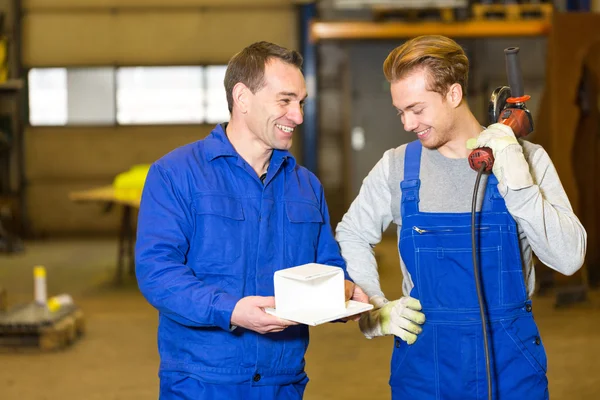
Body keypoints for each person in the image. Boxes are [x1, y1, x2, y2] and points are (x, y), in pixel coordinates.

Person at [335, 35, 587, 399]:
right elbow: (352, 232)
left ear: (453, 94)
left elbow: (569, 258)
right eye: (400, 111)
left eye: (417, 109)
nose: (407, 123)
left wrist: (518, 182)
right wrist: (373, 306)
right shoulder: (398, 168)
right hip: (424, 368)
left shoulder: (528, 160)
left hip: (511, 365)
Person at [136, 41, 366, 399]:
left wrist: (344, 293)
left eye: (301, 102)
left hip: (282, 382)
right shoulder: (176, 174)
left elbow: (328, 265)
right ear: (242, 98)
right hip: (201, 382)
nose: (299, 116)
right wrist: (232, 310)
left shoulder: (305, 185)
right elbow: (157, 272)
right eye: (285, 101)